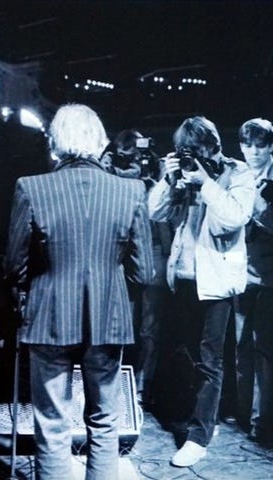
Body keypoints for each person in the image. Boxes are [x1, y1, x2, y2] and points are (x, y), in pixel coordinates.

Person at [4, 103, 154, 480]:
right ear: (101, 142)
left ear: (55, 143)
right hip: (109, 319)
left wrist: (27, 290)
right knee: (105, 420)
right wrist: (112, 288)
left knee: (52, 422)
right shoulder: (131, 190)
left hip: (48, 317)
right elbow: (144, 271)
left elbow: (14, 266)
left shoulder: (31, 187)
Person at [148, 116, 255, 467]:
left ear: (213, 145)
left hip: (216, 281)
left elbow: (233, 218)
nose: (192, 156)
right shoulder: (184, 173)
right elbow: (155, 213)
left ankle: (198, 437)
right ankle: (202, 417)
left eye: (196, 149)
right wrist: (168, 180)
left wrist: (206, 182)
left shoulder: (237, 172)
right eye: (186, 150)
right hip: (182, 277)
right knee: (184, 355)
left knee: (210, 360)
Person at [103, 129, 172, 409]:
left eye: (135, 157)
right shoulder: (109, 176)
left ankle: (143, 387)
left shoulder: (155, 172)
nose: (131, 164)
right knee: (123, 322)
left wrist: (161, 173)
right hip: (122, 252)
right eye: (123, 158)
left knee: (150, 328)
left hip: (154, 249)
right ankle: (117, 384)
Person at [234, 118, 273, 445]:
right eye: (248, 145)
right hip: (240, 274)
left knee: (264, 352)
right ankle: (243, 415)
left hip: (269, 277)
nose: (254, 152)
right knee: (240, 349)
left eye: (260, 146)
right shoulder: (239, 174)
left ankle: (261, 424)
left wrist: (258, 208)